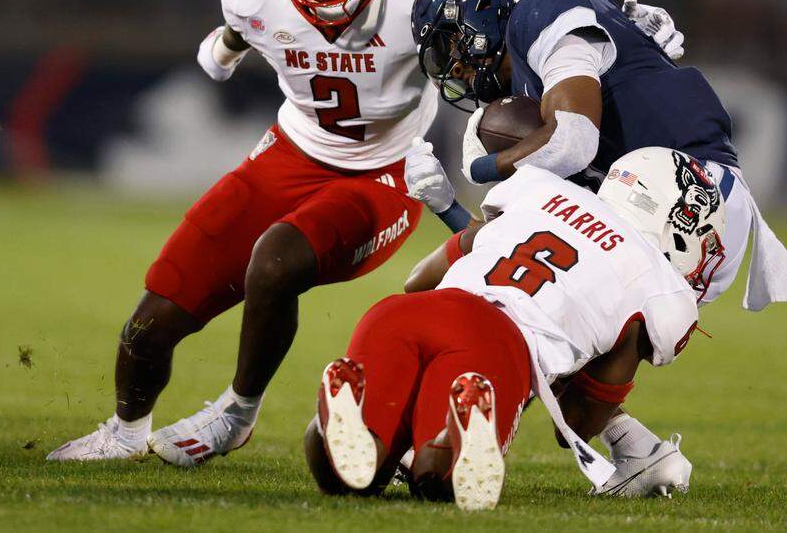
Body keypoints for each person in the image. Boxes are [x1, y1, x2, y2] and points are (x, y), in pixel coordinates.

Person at [47, 0, 459, 464]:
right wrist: (228, 45)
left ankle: (236, 413)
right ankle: (126, 431)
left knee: (275, 260)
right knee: (158, 308)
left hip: (386, 171)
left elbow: (510, 32)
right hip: (291, 150)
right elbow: (239, 29)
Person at [405, 0, 787, 493]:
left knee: (511, 310)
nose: (455, 68)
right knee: (569, 406)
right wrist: (445, 207)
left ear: (485, 7)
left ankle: (436, 439)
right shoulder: (544, 53)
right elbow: (512, 244)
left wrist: (484, 166)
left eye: (453, 45)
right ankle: (640, 454)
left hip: (673, 190)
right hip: (684, 208)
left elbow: (574, 139)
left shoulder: (542, 7)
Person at [305, 147, 721, 510]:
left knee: (347, 474)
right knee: (438, 480)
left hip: (405, 314)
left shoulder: (540, 191)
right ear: (679, 222)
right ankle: (459, 429)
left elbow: (418, 281)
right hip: (493, 341)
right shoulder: (659, 289)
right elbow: (576, 423)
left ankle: (342, 412)